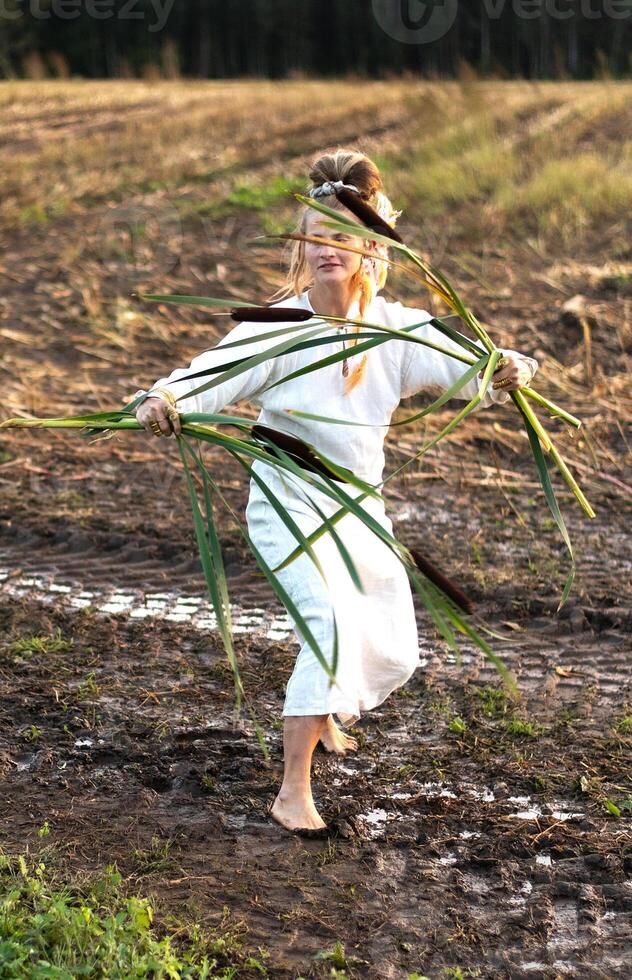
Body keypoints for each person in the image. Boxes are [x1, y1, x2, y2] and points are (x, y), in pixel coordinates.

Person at [133, 149, 538, 834]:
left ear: (371, 246)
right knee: (327, 627)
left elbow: (474, 366)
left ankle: (323, 710)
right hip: (288, 504)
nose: (327, 248)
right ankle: (293, 792)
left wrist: (505, 369)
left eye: (343, 236)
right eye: (315, 235)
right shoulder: (279, 326)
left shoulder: (399, 329)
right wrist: (162, 396)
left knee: (395, 653)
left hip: (358, 512)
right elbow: (204, 376)